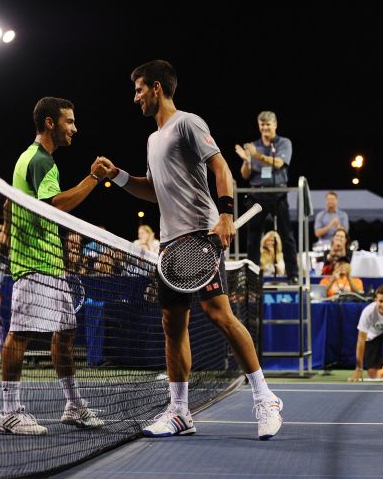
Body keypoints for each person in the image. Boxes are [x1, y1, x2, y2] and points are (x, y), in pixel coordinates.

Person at [99, 60, 283, 440]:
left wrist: (227, 214)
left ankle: (265, 398)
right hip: (170, 243)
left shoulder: (188, 123)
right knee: (172, 325)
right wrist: (116, 176)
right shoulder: (152, 140)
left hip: (201, 236)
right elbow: (152, 190)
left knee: (219, 314)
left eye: (138, 90)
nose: (134, 98)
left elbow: (222, 169)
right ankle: (180, 411)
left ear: (156, 88)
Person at [0, 96, 108, 436]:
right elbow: (55, 207)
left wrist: (14, 232)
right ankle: (9, 411)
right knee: (21, 333)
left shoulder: (32, 161)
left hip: (49, 264)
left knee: (65, 332)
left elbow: (8, 205)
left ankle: (73, 404)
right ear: (50, 123)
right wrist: (92, 179)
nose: (74, 128)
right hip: (35, 265)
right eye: (69, 122)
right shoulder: (41, 161)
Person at [234, 110, 298, 282]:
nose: (264, 128)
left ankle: (293, 275)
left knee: (286, 235)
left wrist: (256, 155)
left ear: (275, 125)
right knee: (253, 238)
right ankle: (252, 276)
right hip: (257, 195)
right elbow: (245, 175)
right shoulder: (253, 145)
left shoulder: (284, 143)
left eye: (268, 124)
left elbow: (279, 163)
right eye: (262, 124)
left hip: (278, 193)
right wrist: (247, 160)